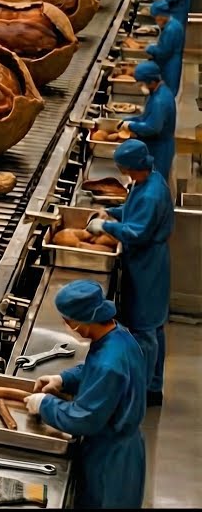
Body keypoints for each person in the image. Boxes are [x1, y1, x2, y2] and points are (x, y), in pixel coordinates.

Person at [23, 280, 145, 509]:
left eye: (68, 320)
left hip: (111, 460)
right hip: (119, 444)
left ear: (83, 321)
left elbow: (84, 418)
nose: (66, 324)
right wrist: (63, 379)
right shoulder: (117, 336)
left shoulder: (110, 363)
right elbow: (96, 370)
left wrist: (44, 404)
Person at [87, 139, 174, 407]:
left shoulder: (151, 193)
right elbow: (133, 211)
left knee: (145, 330)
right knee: (153, 329)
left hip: (147, 266)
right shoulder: (148, 179)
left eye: (123, 168)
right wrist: (111, 213)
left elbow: (137, 232)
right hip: (146, 261)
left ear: (132, 166)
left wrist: (106, 228)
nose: (122, 173)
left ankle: (143, 392)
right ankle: (154, 383)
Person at [120, 60, 176, 180]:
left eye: (142, 83)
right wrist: (129, 120)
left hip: (159, 149)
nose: (141, 86)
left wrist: (131, 126)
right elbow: (146, 117)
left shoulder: (159, 101)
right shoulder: (158, 92)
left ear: (151, 81)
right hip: (156, 144)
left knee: (156, 180)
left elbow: (152, 127)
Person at [146, 0, 185, 96]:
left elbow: (164, 52)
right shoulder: (173, 24)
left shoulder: (171, 29)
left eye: (157, 17)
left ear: (162, 15)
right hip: (171, 62)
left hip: (170, 66)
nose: (156, 20)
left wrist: (150, 49)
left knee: (167, 93)